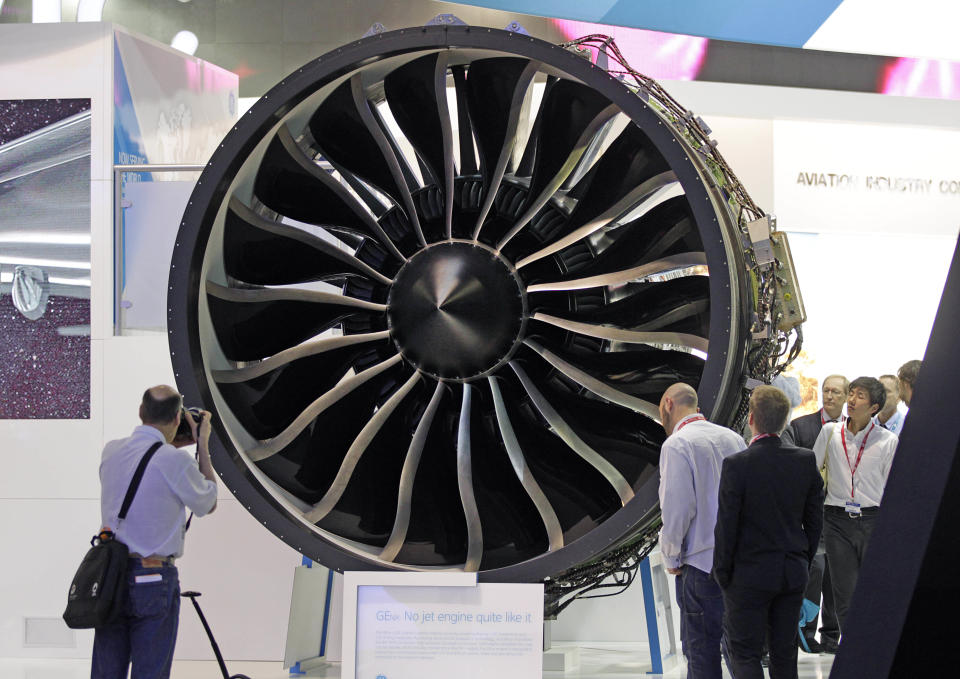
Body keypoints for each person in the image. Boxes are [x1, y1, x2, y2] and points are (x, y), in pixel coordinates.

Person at [92, 386, 218, 679]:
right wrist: (202, 442)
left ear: (140, 412)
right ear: (177, 418)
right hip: (153, 579)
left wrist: (170, 440)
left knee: (106, 672)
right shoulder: (176, 462)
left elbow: (145, 463)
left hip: (110, 575)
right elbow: (207, 502)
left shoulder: (111, 451)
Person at [713, 385, 823, 679]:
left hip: (749, 575)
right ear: (785, 420)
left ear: (751, 419)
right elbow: (815, 520)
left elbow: (726, 524)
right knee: (785, 654)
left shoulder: (737, 465)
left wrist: (722, 573)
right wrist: (803, 559)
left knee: (745, 653)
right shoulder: (804, 459)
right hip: (791, 570)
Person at [657, 382, 746, 679]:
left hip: (699, 566)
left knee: (701, 651)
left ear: (668, 404)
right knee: (740, 651)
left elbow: (678, 509)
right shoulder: (734, 439)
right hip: (738, 565)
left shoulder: (677, 444)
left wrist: (670, 557)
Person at [813, 376, 898, 636]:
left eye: (860, 396)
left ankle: (874, 645)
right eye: (852, 393)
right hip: (836, 519)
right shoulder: (830, 433)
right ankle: (851, 651)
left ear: (874, 407)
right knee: (844, 592)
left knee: (874, 589)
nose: (851, 400)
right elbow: (813, 471)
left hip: (873, 519)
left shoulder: (888, 441)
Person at [782, 374, 847, 654]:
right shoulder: (802, 426)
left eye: (836, 392)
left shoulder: (852, 430)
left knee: (836, 575)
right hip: (810, 513)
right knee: (815, 570)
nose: (829, 396)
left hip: (842, 513)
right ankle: (806, 632)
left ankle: (832, 635)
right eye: (826, 390)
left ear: (846, 397)